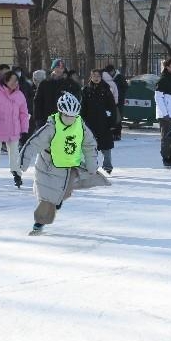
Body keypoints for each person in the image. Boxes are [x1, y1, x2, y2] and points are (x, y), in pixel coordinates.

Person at [19, 92, 110, 235]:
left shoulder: (81, 126)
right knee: (48, 197)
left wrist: (92, 164)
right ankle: (39, 223)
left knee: (63, 194)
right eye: (67, 116)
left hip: (70, 166)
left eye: (73, 116)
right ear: (61, 113)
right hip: (49, 166)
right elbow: (34, 143)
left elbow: (89, 145)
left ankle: (57, 202)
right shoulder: (51, 127)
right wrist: (23, 162)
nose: (70, 119)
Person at [0, 69, 29, 188]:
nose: (15, 83)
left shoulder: (20, 95)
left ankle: (17, 175)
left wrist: (24, 129)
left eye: (16, 81)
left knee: (14, 154)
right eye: (12, 81)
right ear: (5, 81)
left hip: (14, 130)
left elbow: (23, 114)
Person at [81, 67, 117, 174]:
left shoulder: (106, 90)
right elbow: (83, 107)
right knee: (92, 146)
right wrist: (82, 121)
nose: (96, 78)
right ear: (91, 77)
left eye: (98, 76)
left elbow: (112, 107)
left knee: (106, 146)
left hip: (104, 122)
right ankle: (92, 166)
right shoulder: (86, 90)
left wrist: (112, 121)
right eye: (94, 76)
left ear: (101, 77)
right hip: (90, 123)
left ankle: (107, 166)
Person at [33, 58, 81, 125]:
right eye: (57, 67)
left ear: (64, 69)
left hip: (64, 120)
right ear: (53, 68)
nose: (59, 70)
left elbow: (76, 100)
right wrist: (38, 119)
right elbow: (38, 101)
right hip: (47, 120)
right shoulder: (44, 83)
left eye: (61, 68)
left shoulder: (70, 84)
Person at [106, 64, 128, 141]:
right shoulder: (108, 79)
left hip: (119, 101)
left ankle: (117, 134)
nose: (109, 74)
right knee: (111, 118)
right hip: (111, 101)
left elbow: (125, 88)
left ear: (113, 71)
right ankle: (112, 133)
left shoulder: (120, 77)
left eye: (110, 72)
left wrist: (118, 93)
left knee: (118, 118)